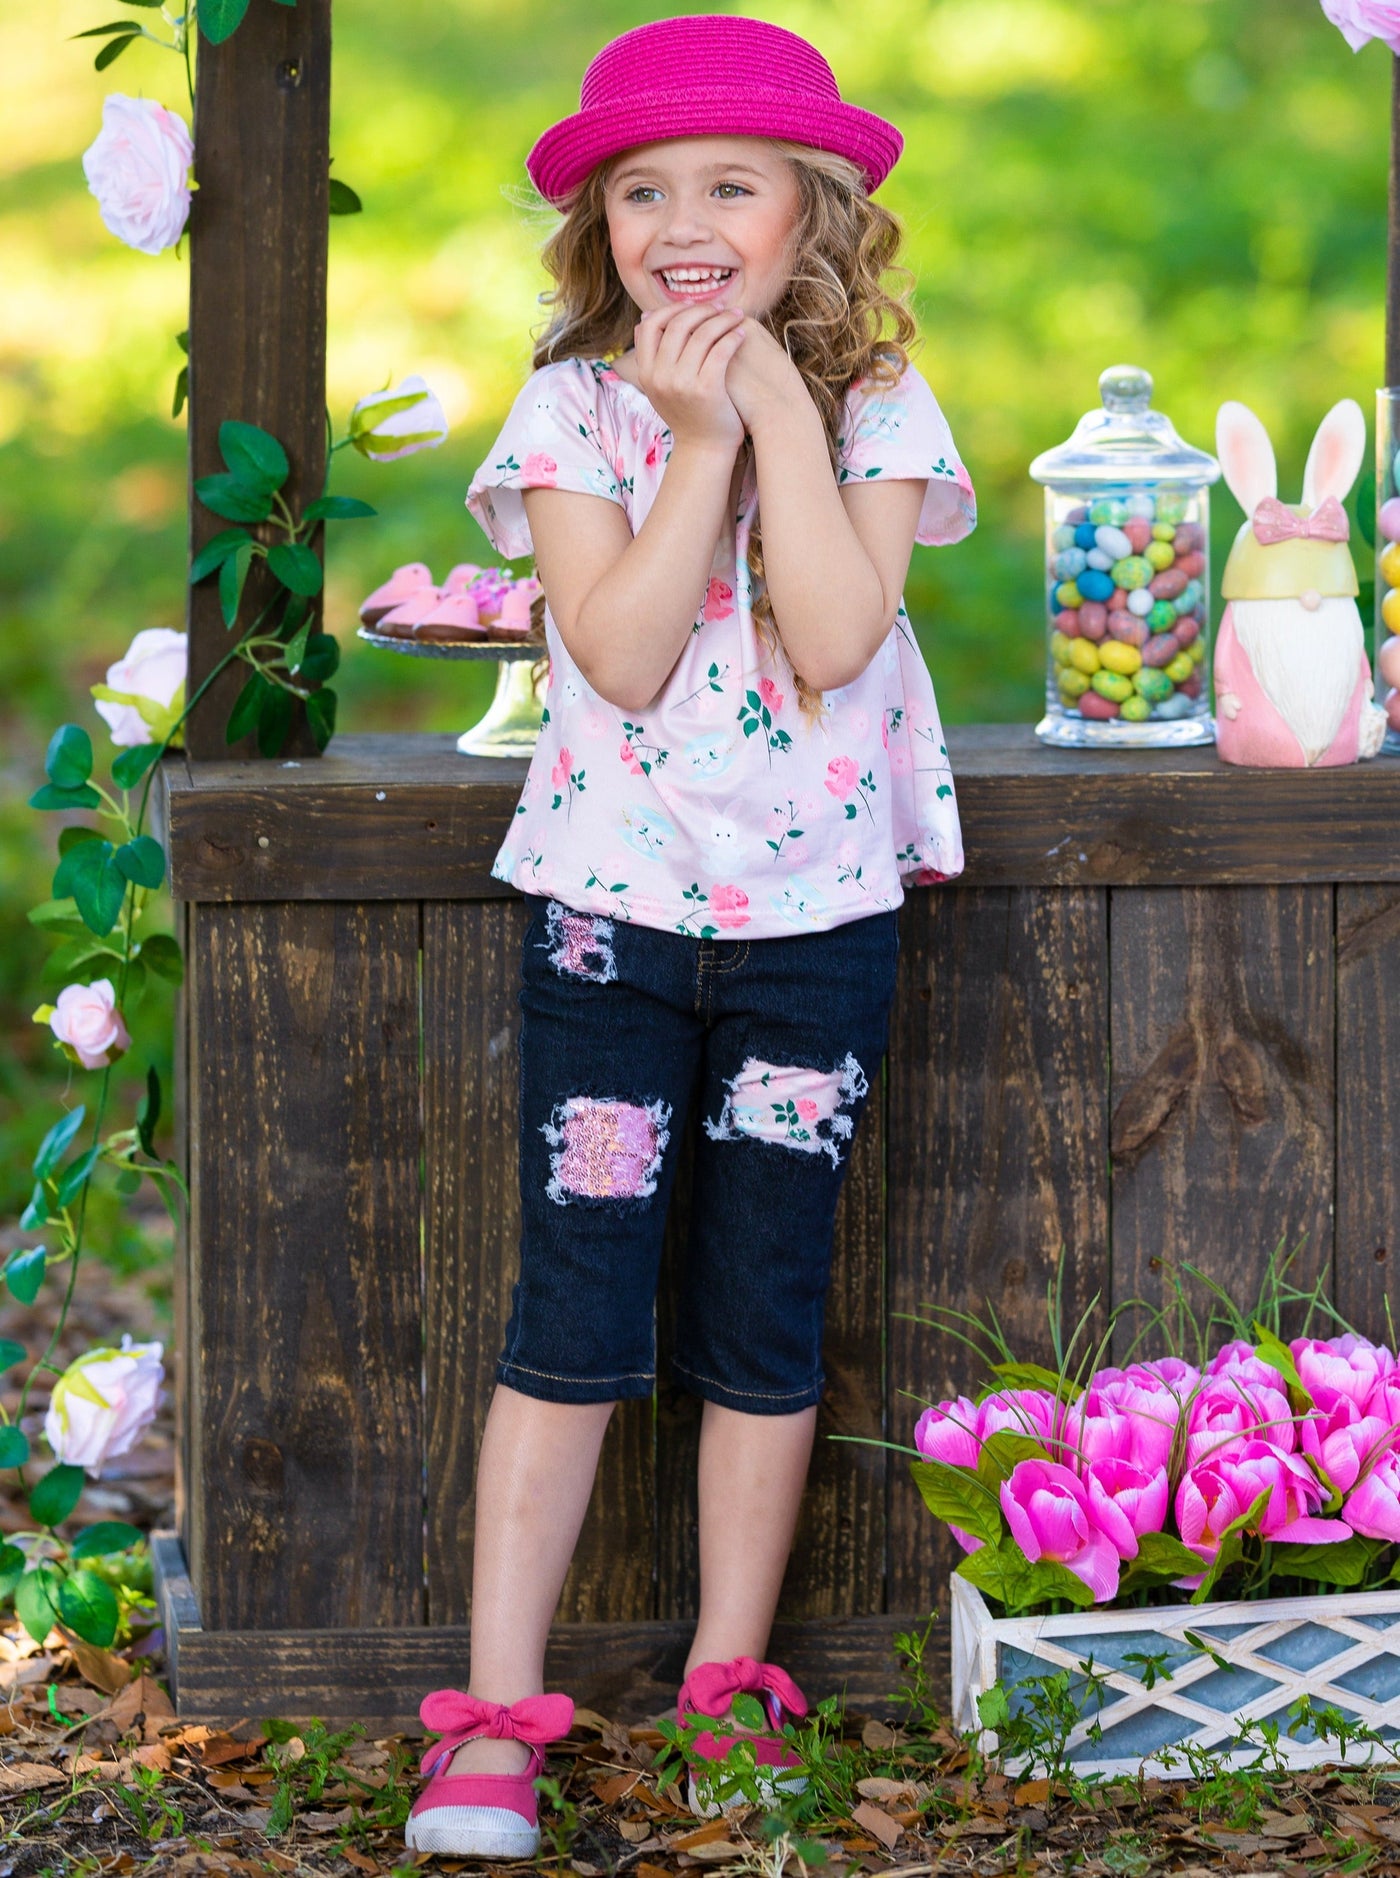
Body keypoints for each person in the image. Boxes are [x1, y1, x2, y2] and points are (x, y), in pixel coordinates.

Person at [406, 13, 976, 1860]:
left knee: (763, 1301)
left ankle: (729, 1675)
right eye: (642, 192)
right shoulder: (574, 413)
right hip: (613, 921)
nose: (683, 224)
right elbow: (630, 653)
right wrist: (703, 440)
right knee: (573, 1301)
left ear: (816, 213)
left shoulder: (882, 409)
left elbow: (836, 636)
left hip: (818, 928)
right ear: (602, 230)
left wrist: (785, 418)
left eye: (731, 185)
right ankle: (494, 1713)